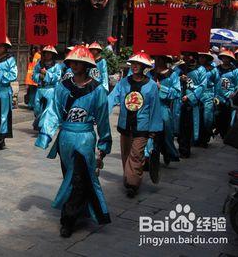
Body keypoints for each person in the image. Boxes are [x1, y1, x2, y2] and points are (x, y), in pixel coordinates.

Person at [35, 45, 112, 237]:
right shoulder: (63, 87)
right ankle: (80, 209)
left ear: (87, 65)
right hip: (65, 139)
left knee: (77, 178)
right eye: (73, 61)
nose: (76, 65)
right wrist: (45, 135)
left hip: (85, 139)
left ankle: (67, 220)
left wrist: (104, 144)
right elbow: (53, 111)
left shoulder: (97, 89)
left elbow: (102, 118)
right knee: (70, 176)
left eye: (80, 62)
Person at [108, 51, 162, 198]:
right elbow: (113, 97)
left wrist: (154, 129)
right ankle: (129, 177)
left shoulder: (151, 86)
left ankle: (133, 184)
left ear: (144, 66)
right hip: (125, 124)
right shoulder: (124, 82)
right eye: (133, 64)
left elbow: (155, 108)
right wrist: (102, 109)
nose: (134, 67)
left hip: (142, 127)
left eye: (138, 64)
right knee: (126, 153)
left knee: (136, 154)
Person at [147, 55, 181, 164]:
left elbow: (177, 92)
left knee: (166, 126)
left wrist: (161, 88)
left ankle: (168, 152)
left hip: (163, 106)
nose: (158, 60)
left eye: (161, 58)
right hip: (150, 107)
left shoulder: (173, 74)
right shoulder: (149, 73)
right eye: (157, 58)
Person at [175, 52, 206, 158]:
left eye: (190, 55)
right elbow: (172, 79)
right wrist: (179, 79)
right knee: (178, 126)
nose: (188, 57)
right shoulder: (179, 68)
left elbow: (202, 86)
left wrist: (190, 96)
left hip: (190, 102)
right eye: (186, 55)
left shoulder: (201, 69)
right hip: (178, 100)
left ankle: (185, 150)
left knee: (187, 127)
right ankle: (179, 147)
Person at [32, 45, 62, 131]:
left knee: (48, 109)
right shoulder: (39, 64)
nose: (48, 55)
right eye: (46, 53)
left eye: (50, 54)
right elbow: (34, 75)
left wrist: (46, 74)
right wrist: (39, 75)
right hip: (40, 89)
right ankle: (38, 123)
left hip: (50, 89)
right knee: (37, 108)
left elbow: (57, 77)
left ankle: (44, 126)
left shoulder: (56, 66)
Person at [214, 49, 238, 138]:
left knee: (227, 115)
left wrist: (233, 93)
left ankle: (225, 133)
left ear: (230, 59)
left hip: (228, 96)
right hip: (218, 95)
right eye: (224, 58)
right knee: (217, 114)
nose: (225, 59)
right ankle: (218, 129)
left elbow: (237, 84)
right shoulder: (217, 69)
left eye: (227, 58)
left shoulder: (235, 71)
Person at [197, 52, 219, 147]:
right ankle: (196, 138)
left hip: (209, 94)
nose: (201, 59)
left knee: (207, 118)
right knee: (197, 117)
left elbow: (217, 83)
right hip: (197, 94)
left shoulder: (213, 70)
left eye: (203, 57)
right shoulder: (196, 68)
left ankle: (205, 138)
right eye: (200, 57)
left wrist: (216, 96)